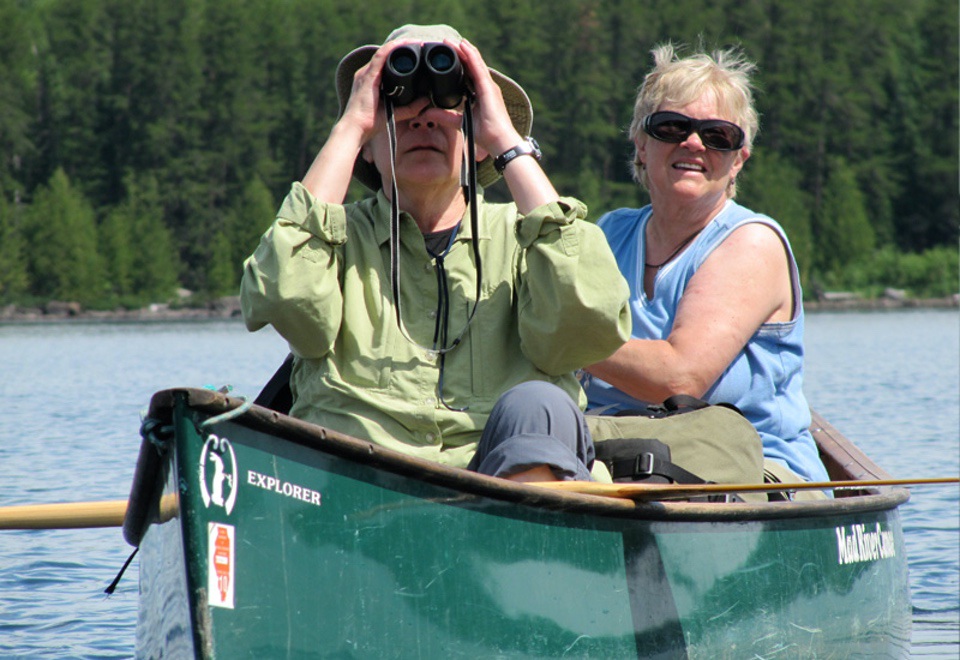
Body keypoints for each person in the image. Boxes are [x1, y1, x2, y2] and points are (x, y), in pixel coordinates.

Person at [241, 24, 631, 483]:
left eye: (449, 103)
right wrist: (349, 128)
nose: (422, 118)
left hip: (506, 489)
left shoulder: (530, 241)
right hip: (356, 489)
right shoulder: (331, 245)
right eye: (398, 103)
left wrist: (505, 139)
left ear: (479, 139)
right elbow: (286, 300)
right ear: (367, 143)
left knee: (539, 405)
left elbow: (589, 325)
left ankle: (520, 547)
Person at [582, 43, 830, 489]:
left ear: (739, 159)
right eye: (672, 127)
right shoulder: (608, 234)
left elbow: (679, 378)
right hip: (613, 459)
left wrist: (558, 335)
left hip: (746, 472)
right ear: (641, 144)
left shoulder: (753, 242)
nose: (693, 143)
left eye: (718, 135)